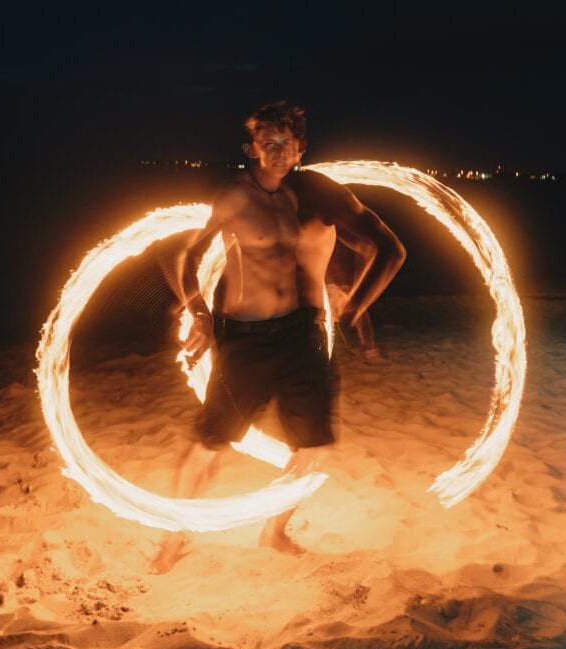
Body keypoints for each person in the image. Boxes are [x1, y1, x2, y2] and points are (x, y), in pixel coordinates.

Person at [151, 102, 405, 573]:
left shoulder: (304, 196)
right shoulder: (237, 196)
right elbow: (182, 255)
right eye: (267, 143)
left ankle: (274, 532)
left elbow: (368, 246)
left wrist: (352, 305)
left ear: (301, 147)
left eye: (286, 143)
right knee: (211, 441)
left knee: (314, 445)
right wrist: (199, 313)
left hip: (300, 334)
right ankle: (171, 539)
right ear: (250, 149)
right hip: (245, 338)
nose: (278, 151)